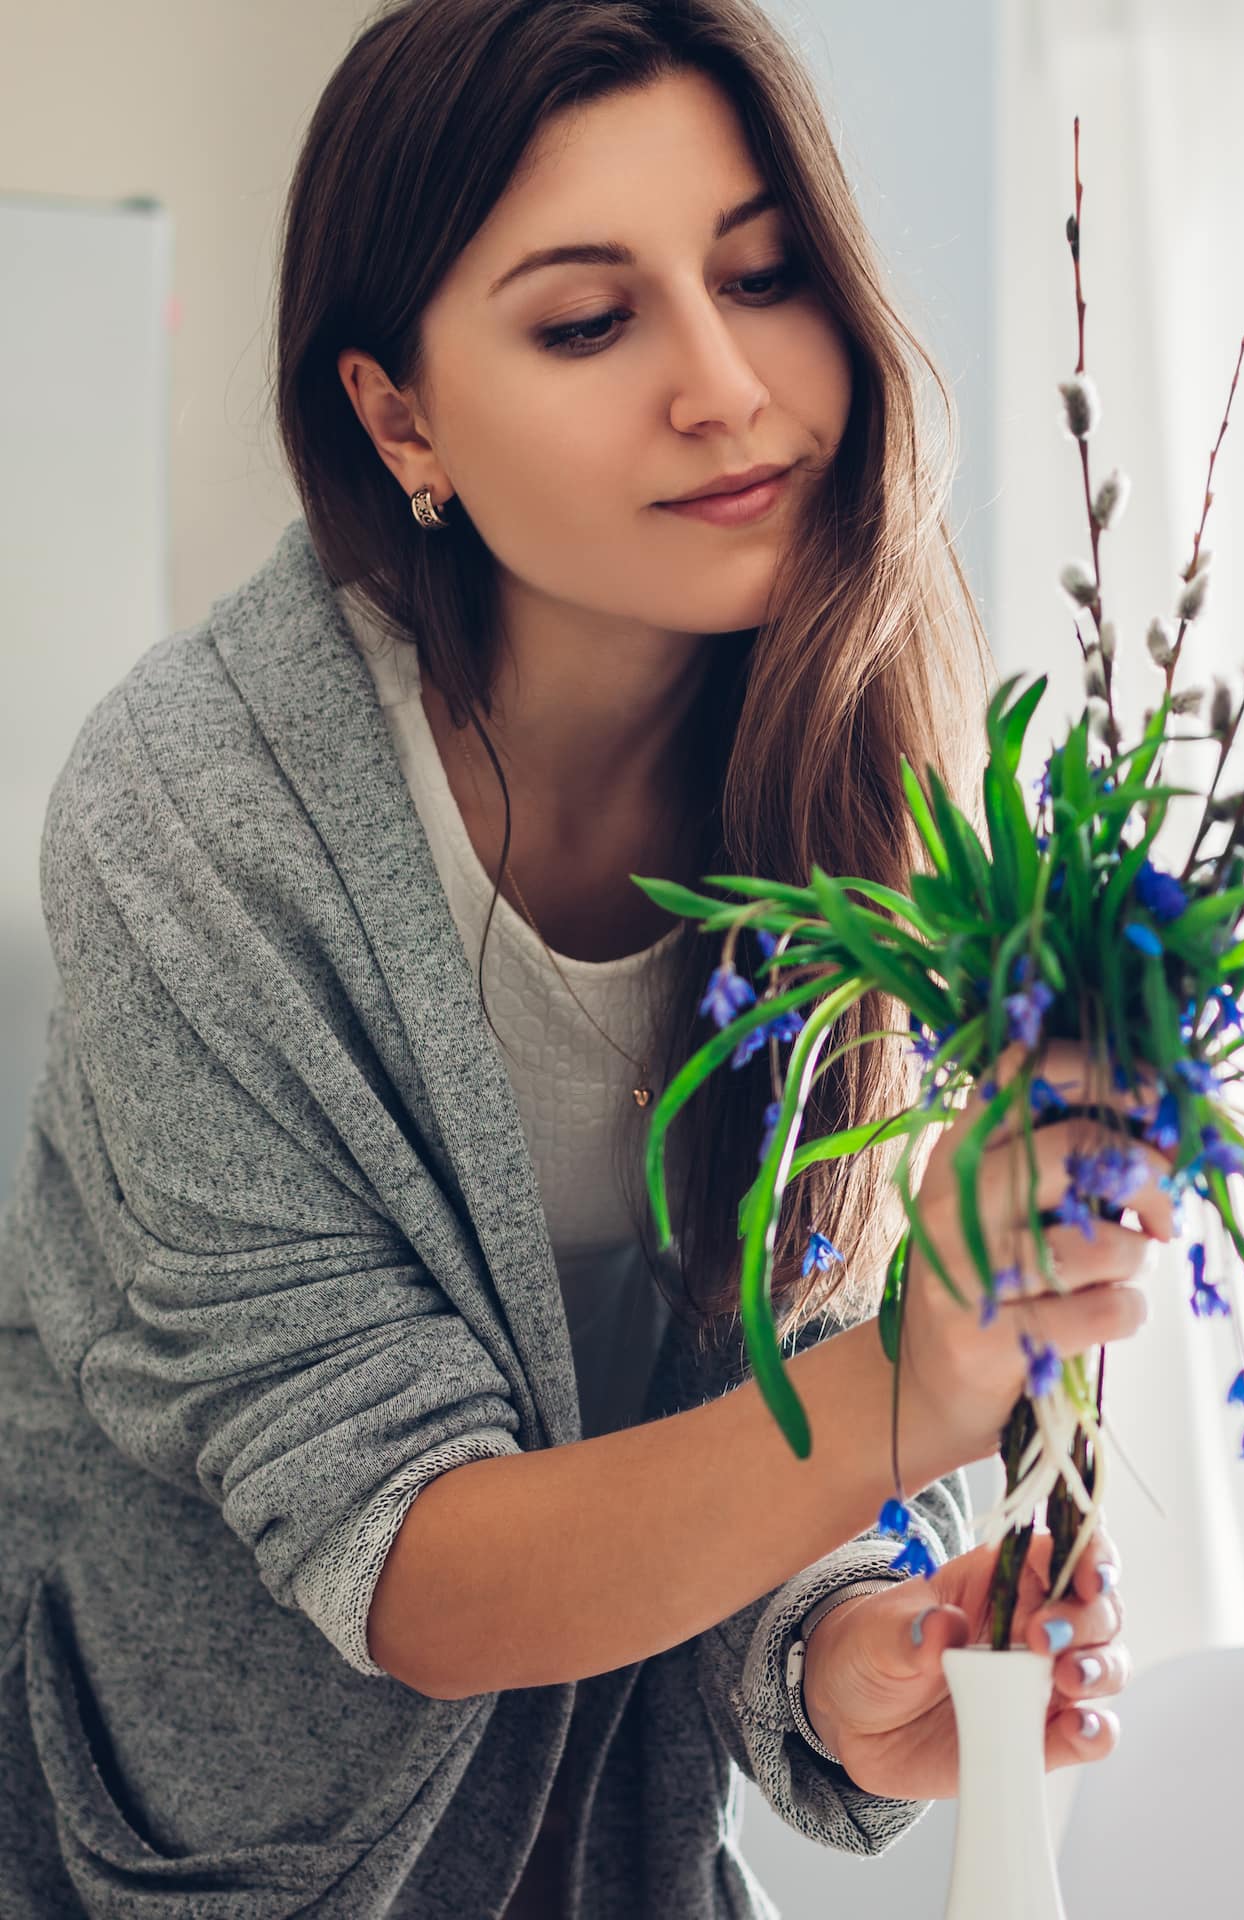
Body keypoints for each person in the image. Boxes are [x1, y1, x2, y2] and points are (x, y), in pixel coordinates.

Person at [0, 3, 1172, 1914]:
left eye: (764, 275)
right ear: (398, 418)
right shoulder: (195, 815)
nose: (728, 386)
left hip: (618, 1860)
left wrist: (842, 1648)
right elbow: (419, 1565)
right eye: (585, 318)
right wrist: (909, 1382)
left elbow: (768, 1367)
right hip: (213, 1863)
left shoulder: (863, 774)